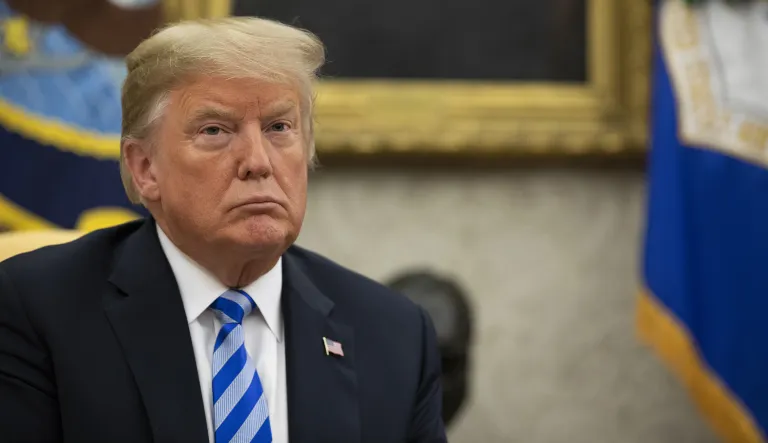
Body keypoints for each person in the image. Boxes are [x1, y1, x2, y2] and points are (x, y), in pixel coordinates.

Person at [0, 17, 447, 443]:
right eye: (215, 130)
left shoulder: (394, 335)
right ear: (145, 168)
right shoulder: (37, 311)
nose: (258, 161)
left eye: (279, 127)